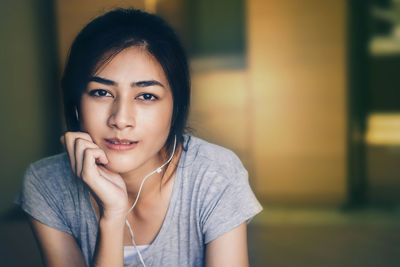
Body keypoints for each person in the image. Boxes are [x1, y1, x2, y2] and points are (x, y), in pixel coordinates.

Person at [16, 8, 262, 267]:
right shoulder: (47, 184)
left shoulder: (214, 174)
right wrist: (112, 217)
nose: (121, 119)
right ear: (76, 102)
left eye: (146, 96)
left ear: (175, 107)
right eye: (101, 92)